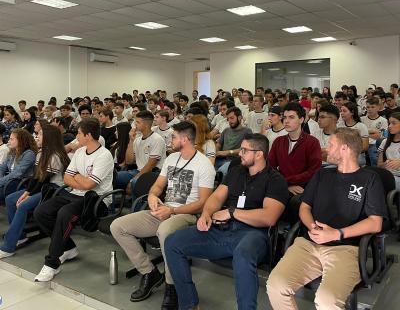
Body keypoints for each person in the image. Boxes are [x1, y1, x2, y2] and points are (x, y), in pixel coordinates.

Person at [165, 133, 288, 310]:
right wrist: (206, 213)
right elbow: (216, 197)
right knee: (173, 242)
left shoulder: (275, 180)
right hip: (222, 229)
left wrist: (232, 212)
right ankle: (189, 304)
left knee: (243, 255)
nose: (240, 153)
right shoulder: (236, 172)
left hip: (254, 234)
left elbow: (269, 217)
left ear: (259, 154)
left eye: (245, 150)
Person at [267, 128, 387, 310]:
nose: (326, 149)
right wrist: (312, 226)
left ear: (345, 149)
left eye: (331, 145)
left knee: (327, 300)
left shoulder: (369, 179)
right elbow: (305, 207)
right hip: (309, 244)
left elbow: (375, 222)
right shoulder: (322, 174)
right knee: (276, 285)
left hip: (345, 248)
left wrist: (336, 234)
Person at [110, 121, 215, 308]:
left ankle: (171, 285)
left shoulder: (204, 165)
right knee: (118, 226)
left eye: (173, 137)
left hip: (187, 215)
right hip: (164, 209)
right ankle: (149, 273)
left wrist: (172, 210)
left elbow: (203, 204)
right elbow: (158, 185)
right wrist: (152, 196)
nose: (170, 139)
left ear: (185, 139)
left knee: (165, 231)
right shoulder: (171, 159)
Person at [33, 118, 114, 282]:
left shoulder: (104, 155)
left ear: (88, 135)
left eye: (78, 133)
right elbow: (67, 178)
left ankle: (52, 264)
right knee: (41, 211)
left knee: (64, 213)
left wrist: (76, 177)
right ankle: (68, 247)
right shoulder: (79, 152)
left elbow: (90, 185)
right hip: (76, 194)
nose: (76, 136)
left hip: (97, 200)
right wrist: (80, 180)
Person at [0, 124, 70, 258]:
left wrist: (27, 194)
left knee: (23, 205)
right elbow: (36, 177)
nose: (37, 136)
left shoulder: (55, 155)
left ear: (49, 138)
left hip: (54, 189)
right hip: (43, 187)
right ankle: (20, 236)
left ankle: (8, 246)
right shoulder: (41, 152)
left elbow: (43, 179)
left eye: (41, 134)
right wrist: (27, 192)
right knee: (10, 199)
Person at [269, 102, 321, 197]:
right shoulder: (278, 141)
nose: (286, 121)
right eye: (285, 117)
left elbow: (313, 171)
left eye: (291, 117)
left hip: (303, 189)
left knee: (294, 202)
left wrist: (286, 181)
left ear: (301, 119)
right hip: (281, 186)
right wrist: (285, 184)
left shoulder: (312, 142)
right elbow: (270, 167)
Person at [115, 111, 166, 192]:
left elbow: (151, 165)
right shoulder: (137, 140)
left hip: (153, 173)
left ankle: (137, 204)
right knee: (114, 177)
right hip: (138, 171)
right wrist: (131, 141)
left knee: (135, 183)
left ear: (146, 124)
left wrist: (133, 179)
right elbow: (129, 161)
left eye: (138, 122)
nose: (135, 125)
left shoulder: (157, 139)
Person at [0, 129, 37, 202]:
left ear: (21, 140)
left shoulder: (29, 154)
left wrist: (0, 181)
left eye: (11, 139)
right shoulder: (12, 152)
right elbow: (2, 168)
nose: (8, 141)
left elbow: (17, 174)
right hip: (8, 181)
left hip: (20, 184)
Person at [215, 107, 252, 176]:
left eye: (232, 118)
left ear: (239, 117)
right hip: (220, 158)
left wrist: (226, 152)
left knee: (221, 171)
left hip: (235, 161)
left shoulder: (247, 131)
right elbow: (219, 144)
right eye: (228, 119)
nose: (229, 121)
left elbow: (245, 149)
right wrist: (216, 152)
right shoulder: (226, 130)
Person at [361, 97, 388, 167]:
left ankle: (375, 172)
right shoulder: (362, 119)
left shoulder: (383, 120)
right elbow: (358, 133)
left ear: (378, 107)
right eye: (368, 107)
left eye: (373, 107)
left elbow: (381, 136)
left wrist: (365, 133)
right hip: (362, 143)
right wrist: (372, 132)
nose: (370, 109)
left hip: (374, 144)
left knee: (374, 155)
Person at [378, 112, 400, 190]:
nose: (390, 126)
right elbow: (379, 165)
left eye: (394, 123)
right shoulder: (385, 142)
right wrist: (385, 164)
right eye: (389, 123)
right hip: (387, 175)